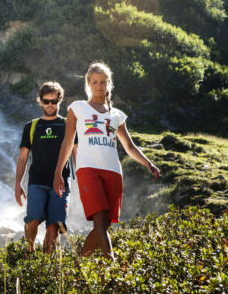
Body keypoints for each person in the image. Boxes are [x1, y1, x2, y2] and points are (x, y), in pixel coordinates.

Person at [53, 62, 160, 260]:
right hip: (88, 169)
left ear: (108, 83)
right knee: (100, 216)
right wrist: (58, 172)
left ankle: (80, 265)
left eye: (103, 82)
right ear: (88, 83)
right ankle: (112, 265)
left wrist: (148, 164)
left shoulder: (117, 115)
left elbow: (129, 146)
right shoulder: (77, 108)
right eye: (94, 82)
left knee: (103, 226)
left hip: (113, 171)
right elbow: (67, 143)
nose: (98, 86)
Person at [15, 82, 76, 253]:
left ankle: (46, 267)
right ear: (40, 101)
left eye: (54, 101)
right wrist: (17, 184)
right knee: (32, 220)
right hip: (37, 182)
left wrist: (85, 180)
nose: (50, 105)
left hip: (61, 184)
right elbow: (22, 159)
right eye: (46, 101)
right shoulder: (31, 126)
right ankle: (29, 254)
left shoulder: (68, 125)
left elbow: (77, 154)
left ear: (59, 101)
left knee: (54, 226)